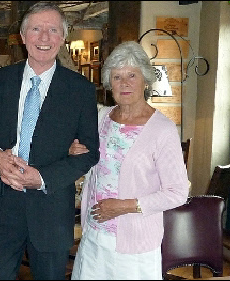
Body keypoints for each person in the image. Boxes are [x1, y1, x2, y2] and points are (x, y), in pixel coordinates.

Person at [0, 2, 100, 279]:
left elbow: (89, 152)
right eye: (36, 29)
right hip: (1, 208)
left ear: (63, 38)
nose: (44, 38)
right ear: (23, 36)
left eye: (53, 30)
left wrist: (41, 178)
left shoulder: (80, 90)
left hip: (51, 208)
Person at [69, 41, 189, 280]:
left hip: (135, 244)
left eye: (132, 75)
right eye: (116, 77)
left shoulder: (162, 130)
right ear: (108, 83)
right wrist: (75, 152)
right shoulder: (101, 117)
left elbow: (178, 192)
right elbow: (92, 163)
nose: (124, 83)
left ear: (145, 80)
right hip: (93, 235)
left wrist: (123, 206)